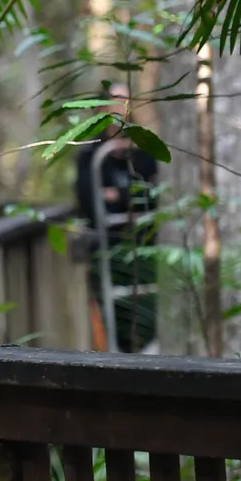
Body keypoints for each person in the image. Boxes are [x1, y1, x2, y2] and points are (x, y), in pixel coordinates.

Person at [72, 84, 158, 354]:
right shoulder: (90, 151)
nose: (120, 108)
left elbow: (152, 193)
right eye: (115, 101)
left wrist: (117, 193)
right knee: (112, 322)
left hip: (144, 247)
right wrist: (122, 197)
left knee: (146, 320)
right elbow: (89, 199)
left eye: (125, 101)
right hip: (106, 250)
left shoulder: (144, 148)